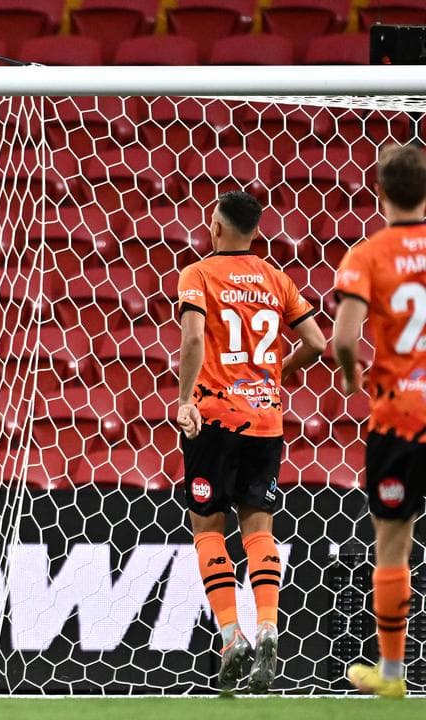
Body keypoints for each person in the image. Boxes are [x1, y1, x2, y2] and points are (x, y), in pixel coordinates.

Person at [173, 190, 326, 694]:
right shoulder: (276, 278)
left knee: (207, 527)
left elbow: (193, 339)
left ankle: (230, 636)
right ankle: (268, 627)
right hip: (265, 420)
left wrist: (185, 401)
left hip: (214, 420)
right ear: (256, 231)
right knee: (258, 527)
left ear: (215, 227)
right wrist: (271, 376)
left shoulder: (197, 274)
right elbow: (318, 343)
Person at [333, 143, 426, 699]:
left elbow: (344, 336)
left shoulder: (367, 255)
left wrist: (350, 375)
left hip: (398, 419)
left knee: (393, 544)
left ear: (380, 191)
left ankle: (391, 677)